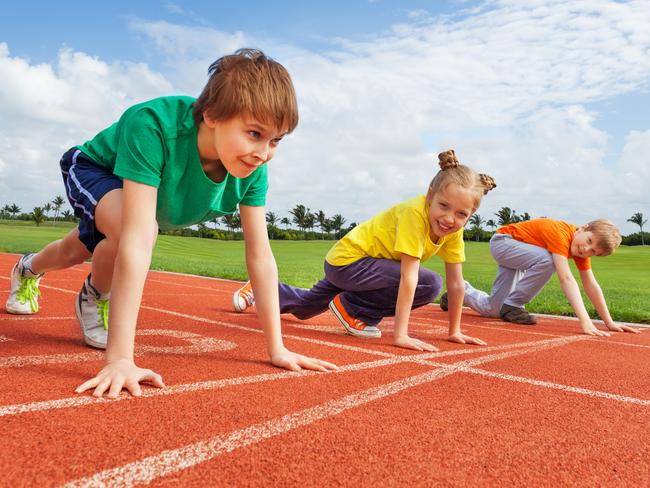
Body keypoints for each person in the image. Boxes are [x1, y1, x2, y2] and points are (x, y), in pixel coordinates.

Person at [5, 48, 337, 398]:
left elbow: (260, 256)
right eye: (254, 133)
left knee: (75, 249)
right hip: (95, 168)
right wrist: (120, 359)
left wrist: (277, 348)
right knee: (136, 233)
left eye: (276, 141)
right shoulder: (151, 126)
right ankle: (95, 297)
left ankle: (28, 268)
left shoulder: (253, 169)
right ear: (211, 115)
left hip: (139, 203)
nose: (264, 152)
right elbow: (136, 237)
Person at [234, 150, 496, 351]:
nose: (450, 218)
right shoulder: (414, 214)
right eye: (443, 206)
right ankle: (354, 310)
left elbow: (457, 283)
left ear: (471, 214)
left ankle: (259, 290)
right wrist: (400, 335)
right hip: (349, 262)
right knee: (429, 284)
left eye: (461, 213)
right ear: (430, 196)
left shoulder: (453, 230)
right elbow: (409, 277)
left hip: (368, 270)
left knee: (305, 308)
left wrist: (455, 330)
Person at [443, 217, 640, 335]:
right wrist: (585, 320)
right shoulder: (560, 233)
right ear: (582, 228)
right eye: (589, 240)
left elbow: (591, 285)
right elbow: (566, 279)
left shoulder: (579, 250)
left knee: (493, 310)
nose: (586, 249)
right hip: (504, 242)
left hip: (520, 252)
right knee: (548, 260)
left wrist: (609, 322)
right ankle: (514, 305)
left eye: (593, 252)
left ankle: (458, 292)